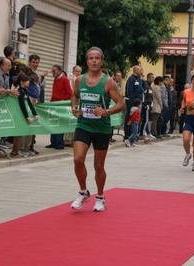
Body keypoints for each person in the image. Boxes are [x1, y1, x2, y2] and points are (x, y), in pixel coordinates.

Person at [70, 46, 125, 212]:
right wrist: (74, 107)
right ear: (87, 61)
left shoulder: (108, 82)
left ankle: (100, 196)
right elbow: (75, 95)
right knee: (78, 159)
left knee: (98, 166)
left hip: (101, 128)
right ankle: (83, 192)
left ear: (101, 61)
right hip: (84, 124)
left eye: (97, 58)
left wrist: (106, 111)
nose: (94, 61)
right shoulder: (80, 79)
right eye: (90, 58)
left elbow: (122, 104)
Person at [10, 74, 39, 157]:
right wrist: (27, 116)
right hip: (21, 115)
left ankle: (26, 148)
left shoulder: (25, 91)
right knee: (21, 133)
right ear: (22, 82)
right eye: (27, 80)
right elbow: (22, 105)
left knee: (29, 132)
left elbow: (29, 103)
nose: (29, 82)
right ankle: (20, 149)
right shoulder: (19, 91)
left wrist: (35, 114)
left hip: (28, 114)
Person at [179, 74, 194, 172]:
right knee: (186, 139)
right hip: (188, 118)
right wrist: (182, 107)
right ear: (191, 81)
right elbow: (184, 101)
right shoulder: (186, 92)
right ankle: (188, 154)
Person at [45, 64, 72, 150]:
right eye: (52, 71)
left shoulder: (65, 80)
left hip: (61, 104)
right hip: (54, 104)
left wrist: (62, 100)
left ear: (59, 71)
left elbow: (69, 93)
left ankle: (59, 143)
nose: (52, 73)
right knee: (53, 122)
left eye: (54, 71)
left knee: (59, 123)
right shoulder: (55, 80)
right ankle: (53, 142)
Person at [124, 66, 142, 139]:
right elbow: (129, 91)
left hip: (137, 102)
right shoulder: (131, 79)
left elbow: (141, 90)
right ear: (136, 70)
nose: (141, 71)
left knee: (135, 119)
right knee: (129, 117)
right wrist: (133, 102)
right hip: (131, 102)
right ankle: (127, 135)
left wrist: (141, 80)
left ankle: (133, 134)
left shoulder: (137, 79)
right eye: (140, 70)